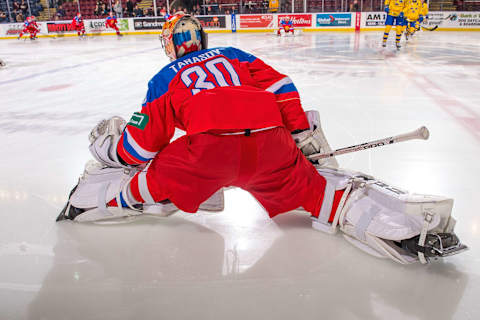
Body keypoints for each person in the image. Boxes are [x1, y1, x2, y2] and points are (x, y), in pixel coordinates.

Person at [57, 13, 467, 265]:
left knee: (146, 181)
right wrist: (301, 135)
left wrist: (111, 147)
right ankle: (412, 228)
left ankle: (86, 202)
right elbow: (283, 86)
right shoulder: (235, 54)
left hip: (206, 155)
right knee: (323, 193)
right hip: (272, 146)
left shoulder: (165, 77)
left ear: (171, 45)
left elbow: (142, 147)